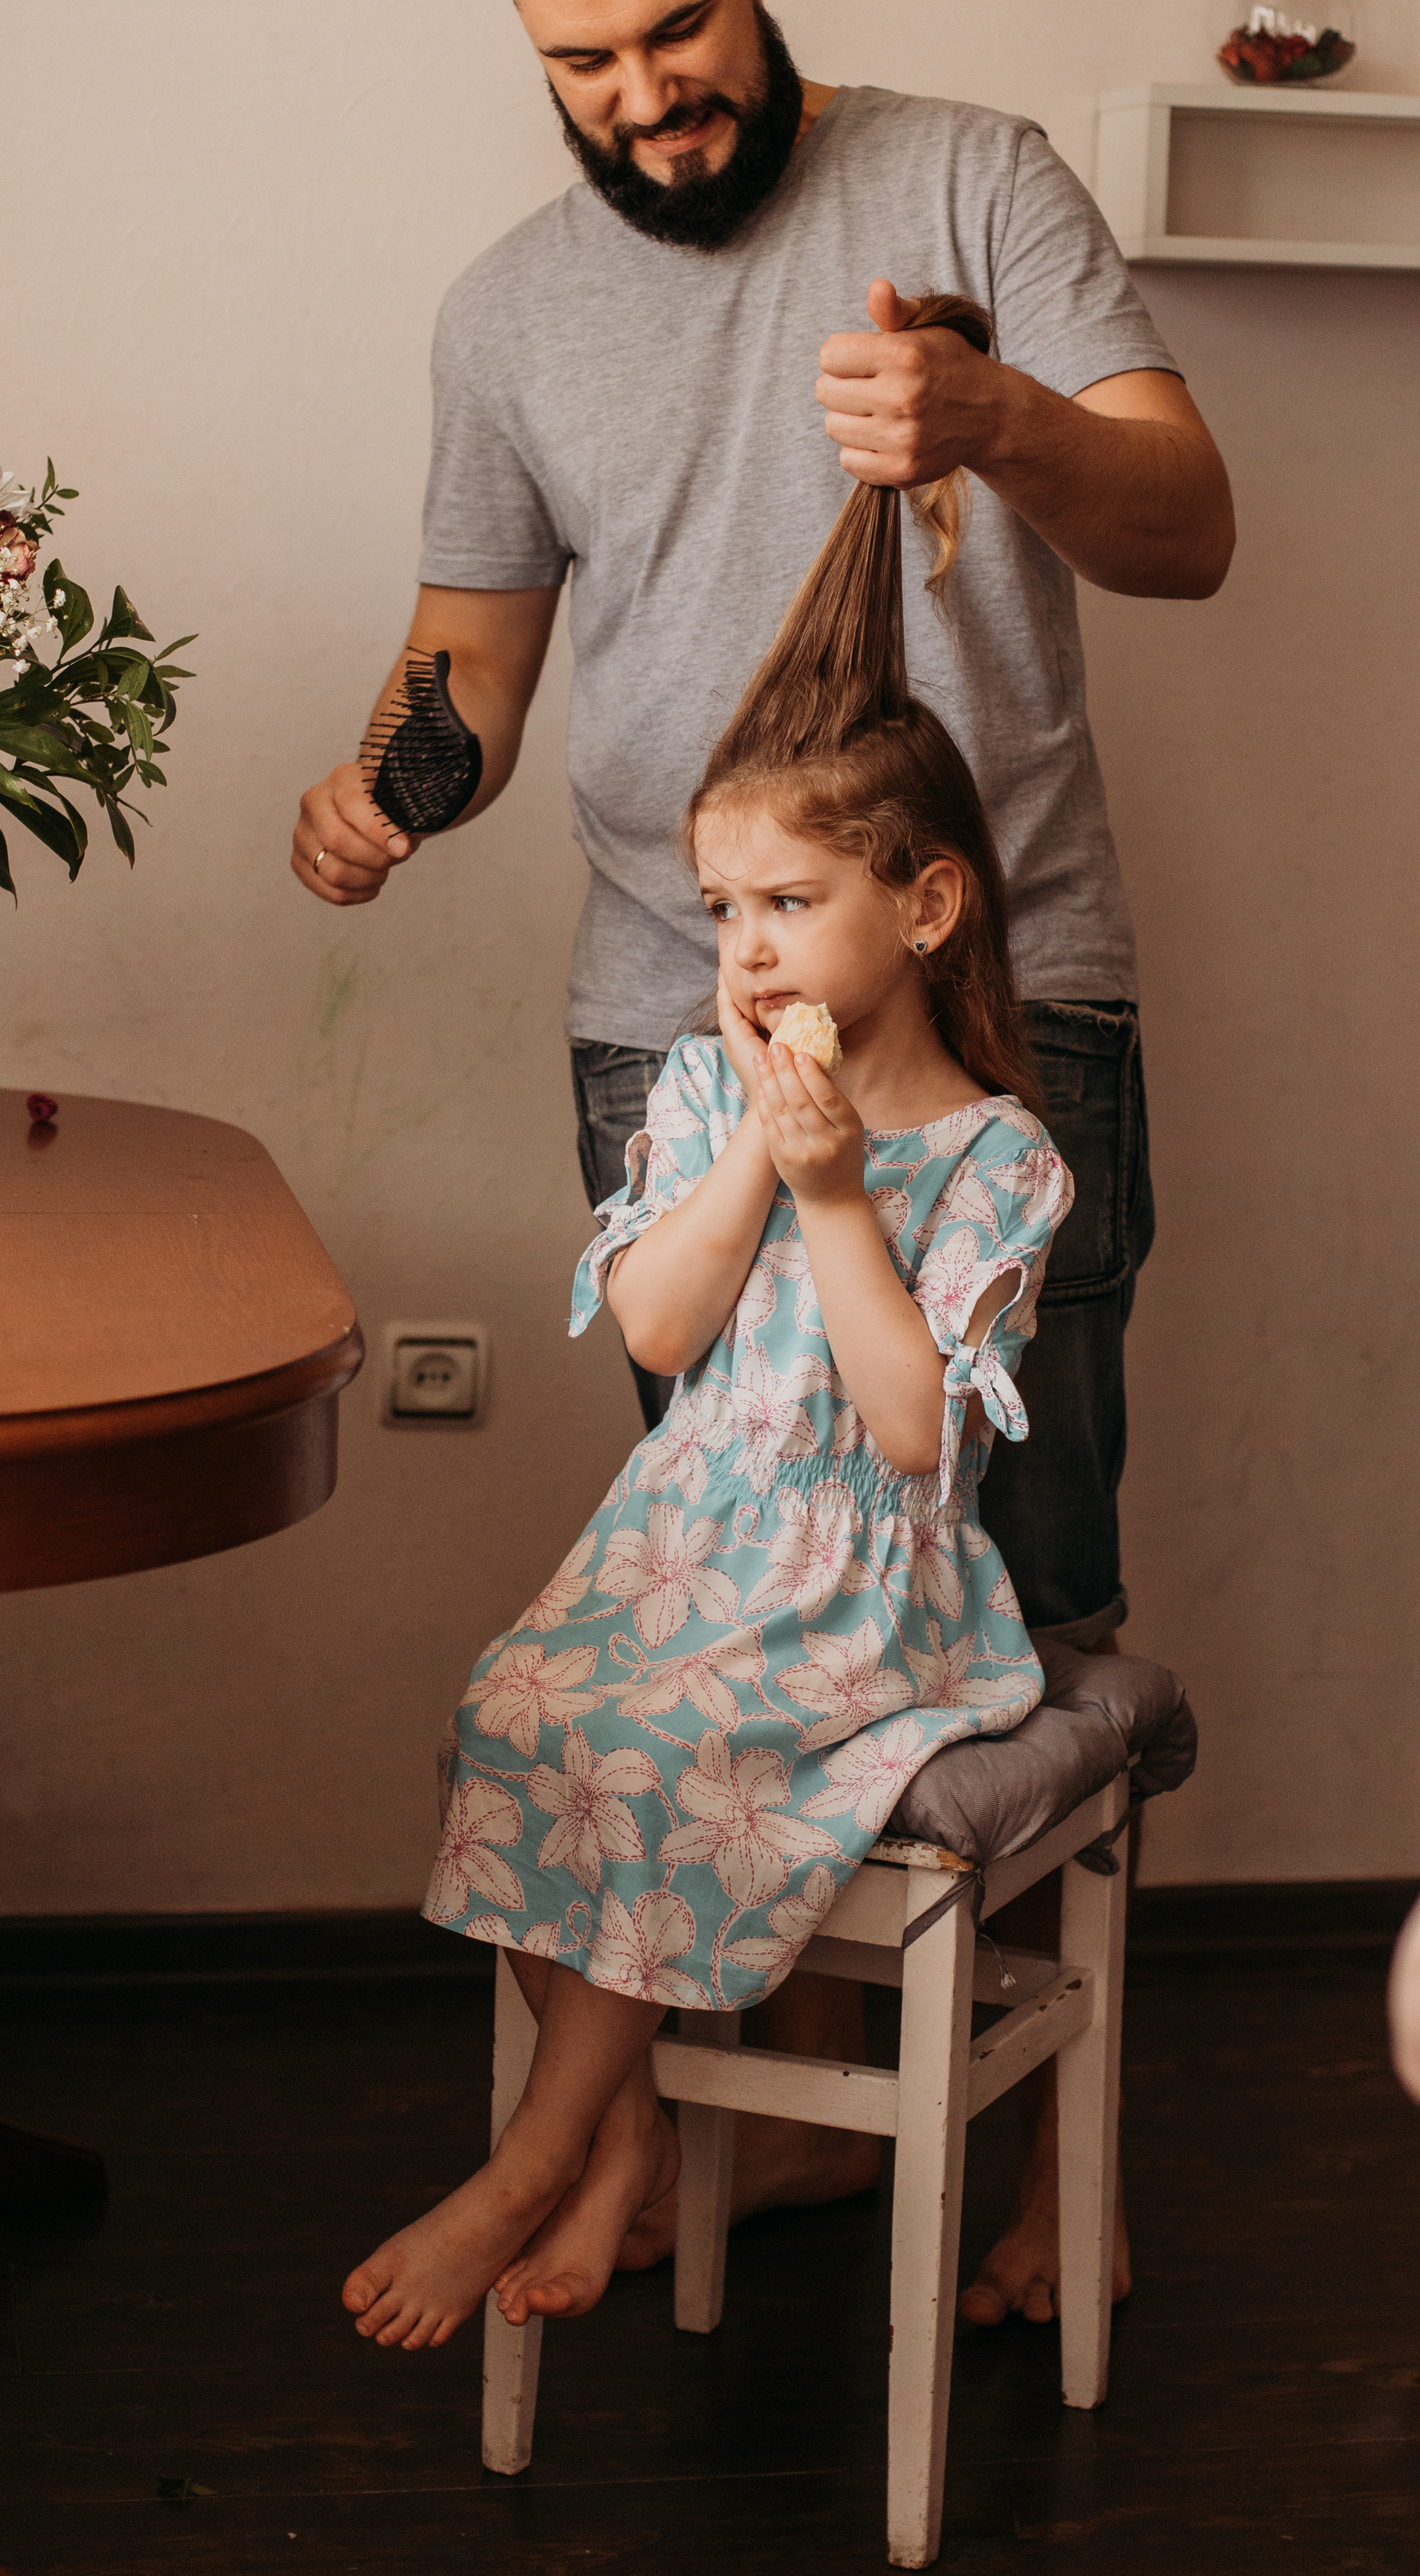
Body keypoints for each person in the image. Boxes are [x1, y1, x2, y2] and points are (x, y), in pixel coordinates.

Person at [294, 0, 1234, 2326]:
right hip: (667, 1024)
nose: (645, 94)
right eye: (583, 58)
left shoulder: (979, 182)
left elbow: (1190, 522)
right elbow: (469, 668)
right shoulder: (505, 317)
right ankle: (771, 2132)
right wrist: (385, 786)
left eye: (681, 28)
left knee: (1029, 1594)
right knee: (743, 1614)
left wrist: (1000, 424)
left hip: (1017, 1005)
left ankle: (1053, 2174)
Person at [343, 367, 1072, 2348]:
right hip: (688, 1541)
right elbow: (660, 1330)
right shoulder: (698, 1092)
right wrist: (759, 1140)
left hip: (870, 1592)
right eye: (724, 907)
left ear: (924, 905)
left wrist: (844, 1196)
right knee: (516, 1714)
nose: (744, 948)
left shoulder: (999, 1155)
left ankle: (553, 2156)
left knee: (664, 1751)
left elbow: (921, 1441)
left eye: (794, 903)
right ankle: (635, 2144)